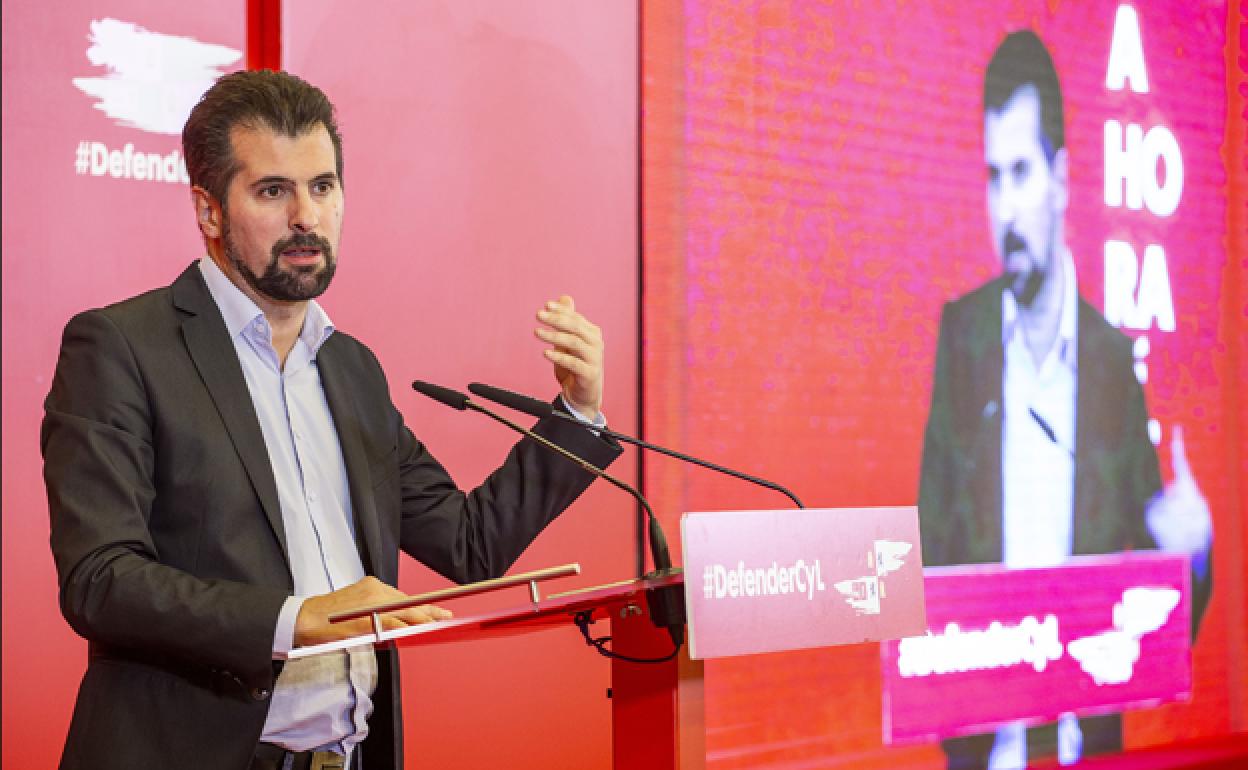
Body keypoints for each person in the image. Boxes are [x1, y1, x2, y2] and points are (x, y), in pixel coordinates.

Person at [42, 69, 621, 770]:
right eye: (273, 191)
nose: (307, 218)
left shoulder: (351, 370)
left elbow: (470, 545)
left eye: (322, 187)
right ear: (209, 211)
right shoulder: (123, 348)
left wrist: (577, 410)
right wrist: (293, 618)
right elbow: (100, 581)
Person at [917, 30, 1213, 769]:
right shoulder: (965, 338)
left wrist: (1191, 556)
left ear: (1060, 176)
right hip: (985, 751)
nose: (1006, 206)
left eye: (1021, 172)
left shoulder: (1112, 362)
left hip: (1089, 752)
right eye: (993, 176)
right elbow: (928, 550)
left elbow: (1155, 613)